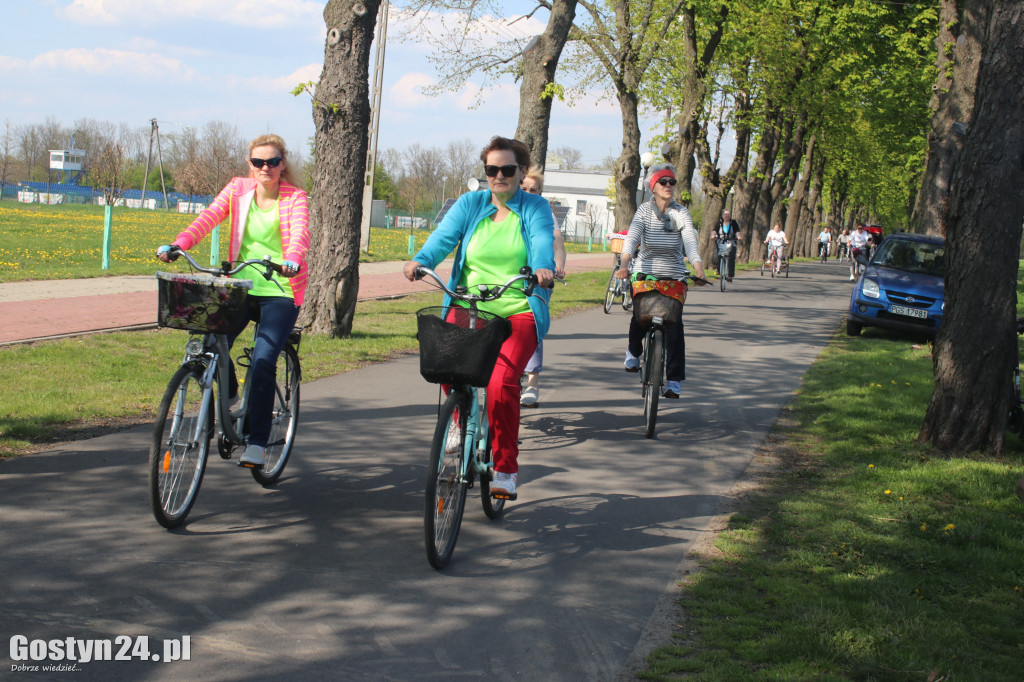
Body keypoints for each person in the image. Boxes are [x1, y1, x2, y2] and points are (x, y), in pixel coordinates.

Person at [403, 136, 555, 501]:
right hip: (469, 302)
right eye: (491, 169)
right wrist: (422, 260)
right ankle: (459, 422)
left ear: (521, 173)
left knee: (502, 384)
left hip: (517, 306)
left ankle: (505, 469)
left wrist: (543, 268)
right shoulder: (471, 203)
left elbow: (542, 240)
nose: (498, 176)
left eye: (507, 170)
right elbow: (443, 237)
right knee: (444, 363)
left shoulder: (534, 207)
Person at [157, 133, 309, 469]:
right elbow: (208, 218)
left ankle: (257, 442)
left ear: (282, 164)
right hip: (239, 284)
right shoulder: (238, 190)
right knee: (212, 343)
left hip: (280, 289)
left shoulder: (295, 197)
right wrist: (179, 244)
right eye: (258, 162)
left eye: (272, 162)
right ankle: (232, 395)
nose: (264, 168)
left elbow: (300, 233)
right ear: (250, 164)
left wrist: (293, 257)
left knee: (264, 360)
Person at [615, 163, 708, 399]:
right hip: (645, 273)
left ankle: (674, 380)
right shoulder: (644, 212)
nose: (668, 186)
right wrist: (624, 266)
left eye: (672, 182)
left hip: (674, 276)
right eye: (663, 182)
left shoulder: (681, 212)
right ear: (652, 186)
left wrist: (699, 270)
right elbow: (631, 240)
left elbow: (690, 243)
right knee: (640, 315)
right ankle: (634, 352)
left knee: (674, 327)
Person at [519, 167, 567, 408]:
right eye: (523, 188)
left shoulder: (544, 210)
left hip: (540, 277)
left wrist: (558, 264)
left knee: (533, 325)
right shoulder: (507, 208)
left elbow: (556, 239)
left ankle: (532, 383)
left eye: (533, 190)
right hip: (509, 276)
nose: (528, 193)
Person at [712, 209, 741, 281]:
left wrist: (738, 236)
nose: (727, 216)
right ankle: (718, 270)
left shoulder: (733, 222)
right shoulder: (719, 222)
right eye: (725, 214)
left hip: (731, 242)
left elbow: (737, 231)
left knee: (731, 257)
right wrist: (713, 235)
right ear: (723, 215)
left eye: (728, 214)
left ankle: (730, 275)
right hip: (720, 241)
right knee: (717, 256)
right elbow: (714, 230)